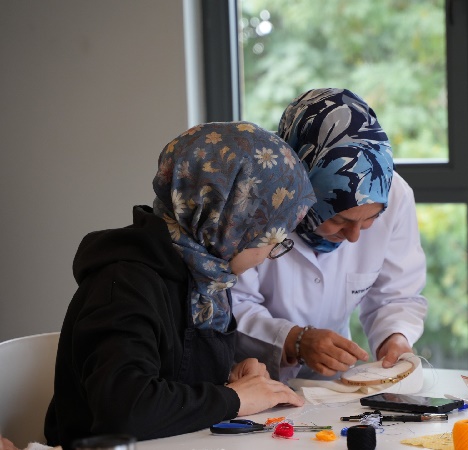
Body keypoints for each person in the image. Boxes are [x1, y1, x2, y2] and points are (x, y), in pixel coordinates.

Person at [44, 122, 316, 447]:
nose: (272, 253)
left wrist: (229, 377)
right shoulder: (124, 285)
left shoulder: (207, 277)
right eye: (272, 238)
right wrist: (235, 399)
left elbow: (171, 375)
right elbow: (126, 409)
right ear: (231, 220)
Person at [231, 88, 428, 381]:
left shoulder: (393, 194)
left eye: (370, 219)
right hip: (248, 376)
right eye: (339, 220)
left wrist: (394, 338)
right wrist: (293, 339)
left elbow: (396, 294)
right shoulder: (255, 202)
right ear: (302, 190)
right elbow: (230, 302)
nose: (354, 237)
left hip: (331, 381)